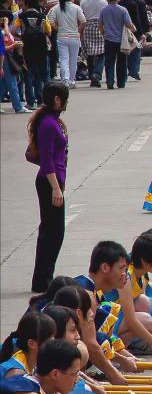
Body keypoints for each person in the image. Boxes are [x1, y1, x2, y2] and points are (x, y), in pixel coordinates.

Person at [26, 82, 70, 293]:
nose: (66, 103)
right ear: (56, 100)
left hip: (53, 180)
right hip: (49, 181)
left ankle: (43, 278)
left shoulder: (51, 121)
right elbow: (46, 161)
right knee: (53, 232)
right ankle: (43, 280)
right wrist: (55, 188)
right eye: (64, 98)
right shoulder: (48, 124)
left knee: (51, 231)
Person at [45, 0, 84, 88]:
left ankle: (65, 80)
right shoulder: (76, 7)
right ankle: (72, 80)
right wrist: (78, 31)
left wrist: (58, 29)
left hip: (62, 36)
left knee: (63, 59)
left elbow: (50, 21)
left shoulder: (57, 8)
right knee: (73, 60)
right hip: (74, 37)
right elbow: (83, 21)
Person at [100, 0, 135, 89]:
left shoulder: (104, 10)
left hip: (109, 40)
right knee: (122, 62)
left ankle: (110, 81)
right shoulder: (122, 10)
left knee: (109, 62)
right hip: (121, 40)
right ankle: (121, 82)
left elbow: (100, 24)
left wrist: (104, 34)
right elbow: (128, 24)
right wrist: (132, 29)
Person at [79, 0, 108, 87]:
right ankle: (97, 73)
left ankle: (92, 75)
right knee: (103, 52)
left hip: (87, 26)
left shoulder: (83, 1)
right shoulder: (104, 2)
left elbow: (81, 15)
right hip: (100, 26)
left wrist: (80, 32)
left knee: (89, 53)